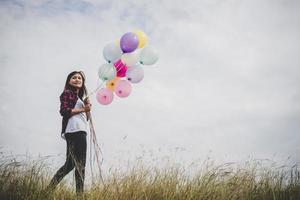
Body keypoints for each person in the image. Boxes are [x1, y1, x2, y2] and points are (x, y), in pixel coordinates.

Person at [46, 71, 91, 194]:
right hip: (75, 131)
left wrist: (87, 107)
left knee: (71, 163)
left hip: (79, 130)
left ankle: (48, 189)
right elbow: (64, 111)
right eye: (74, 78)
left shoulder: (79, 98)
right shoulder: (67, 93)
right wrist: (83, 108)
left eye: (79, 78)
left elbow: (85, 118)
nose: (77, 79)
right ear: (69, 81)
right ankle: (79, 195)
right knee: (81, 164)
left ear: (83, 82)